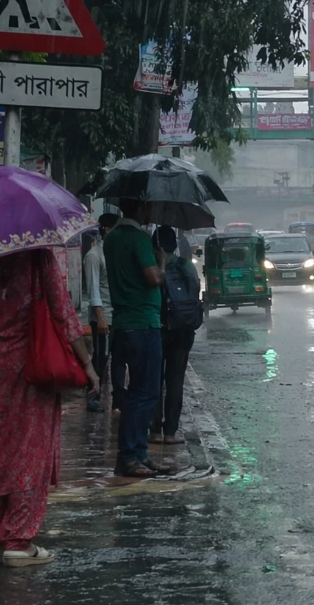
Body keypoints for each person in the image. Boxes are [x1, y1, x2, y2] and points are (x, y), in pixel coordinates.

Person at [0, 249, 100, 568]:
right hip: (31, 366)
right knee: (29, 450)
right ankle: (19, 539)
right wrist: (87, 364)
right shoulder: (38, 258)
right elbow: (63, 315)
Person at [104, 199, 170, 478]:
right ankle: (130, 455)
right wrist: (162, 262)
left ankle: (139, 453)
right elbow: (154, 278)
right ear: (140, 207)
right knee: (145, 392)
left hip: (123, 324)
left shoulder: (112, 238)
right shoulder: (139, 238)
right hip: (143, 324)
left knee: (135, 392)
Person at [150, 226, 201, 445]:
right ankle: (170, 432)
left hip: (158, 328)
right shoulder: (186, 265)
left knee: (154, 380)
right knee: (176, 381)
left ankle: (154, 431)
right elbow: (195, 291)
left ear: (156, 246)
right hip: (184, 329)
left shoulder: (153, 268)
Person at [83, 213, 121, 412]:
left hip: (118, 315)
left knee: (118, 358)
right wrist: (100, 317)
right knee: (101, 357)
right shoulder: (93, 256)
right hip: (102, 317)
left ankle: (118, 398)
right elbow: (93, 290)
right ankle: (92, 396)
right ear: (107, 229)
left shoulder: (114, 253)